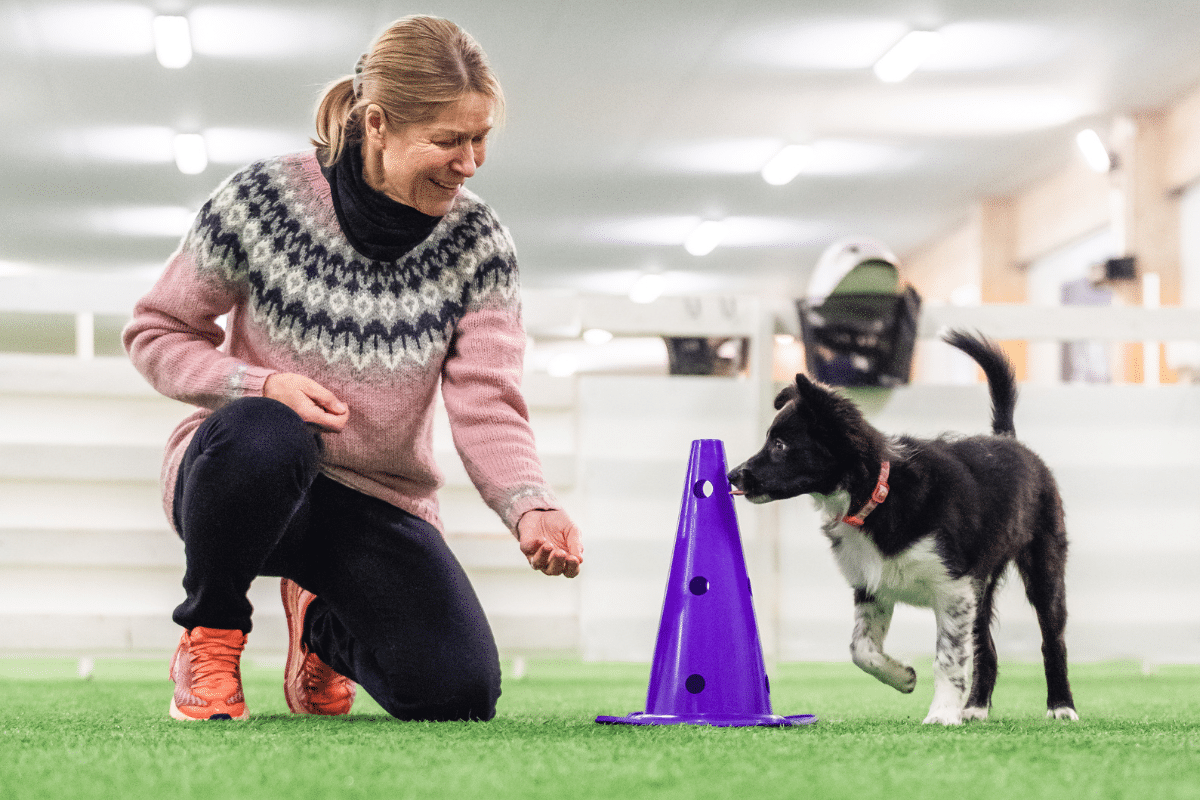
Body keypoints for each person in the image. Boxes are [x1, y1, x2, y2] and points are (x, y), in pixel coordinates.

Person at [123, 15, 583, 723]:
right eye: (448, 140)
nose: (469, 162)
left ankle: (321, 629)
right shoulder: (262, 200)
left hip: (375, 499)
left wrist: (530, 504)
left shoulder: (479, 243)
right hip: (241, 478)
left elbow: (487, 398)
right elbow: (157, 331)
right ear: (378, 125)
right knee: (268, 431)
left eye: (480, 138)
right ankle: (210, 635)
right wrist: (257, 384)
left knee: (457, 694)